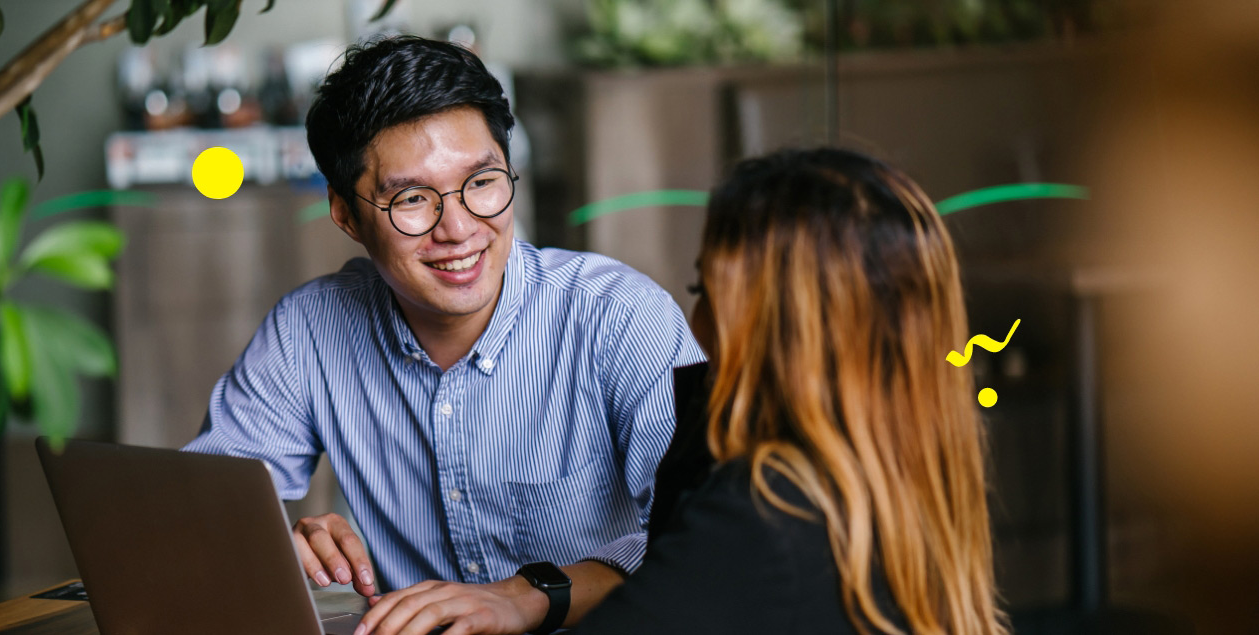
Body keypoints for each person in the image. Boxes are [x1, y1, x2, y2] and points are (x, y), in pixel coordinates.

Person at [183, 36, 703, 635]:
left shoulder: (617, 316)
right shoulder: (309, 331)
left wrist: (527, 597)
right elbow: (196, 513)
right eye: (411, 198)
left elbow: (705, 538)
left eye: (482, 183)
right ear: (347, 215)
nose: (458, 229)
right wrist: (272, 539)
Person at [572, 149, 1008, 634]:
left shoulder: (764, 516)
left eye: (705, 295)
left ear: (777, 336)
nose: (695, 332)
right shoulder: (905, 493)